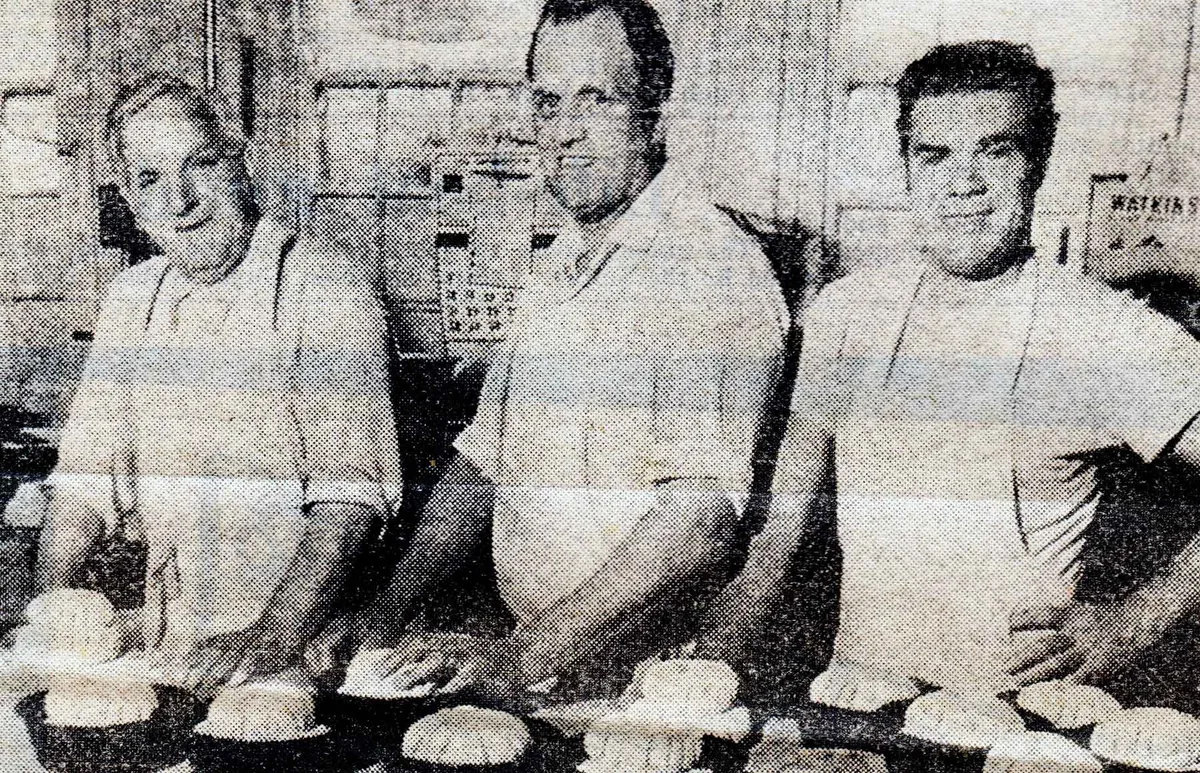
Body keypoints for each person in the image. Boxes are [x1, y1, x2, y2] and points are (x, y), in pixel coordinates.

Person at [699, 41, 1200, 697]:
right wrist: (700, 674)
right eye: (934, 155)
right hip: (858, 710)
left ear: (1039, 165)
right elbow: (780, 540)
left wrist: (1132, 623)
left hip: (1013, 726)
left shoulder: (1105, 332)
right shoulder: (848, 313)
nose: (962, 183)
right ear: (906, 167)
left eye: (995, 150)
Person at [340, 0, 788, 696]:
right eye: (548, 104)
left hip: (646, 684)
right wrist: (387, 609)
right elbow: (482, 465)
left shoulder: (712, 267)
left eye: (597, 100)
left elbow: (700, 520)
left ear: (655, 113)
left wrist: (523, 655)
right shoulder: (558, 265)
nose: (567, 133)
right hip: (539, 664)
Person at [35, 75, 402, 696]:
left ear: (243, 166)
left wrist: (260, 645)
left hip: (300, 646)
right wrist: (51, 612)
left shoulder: (324, 288)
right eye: (150, 180)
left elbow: (353, 507)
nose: (180, 202)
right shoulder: (130, 303)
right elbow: (82, 494)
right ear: (127, 197)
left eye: (198, 165)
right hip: (163, 642)